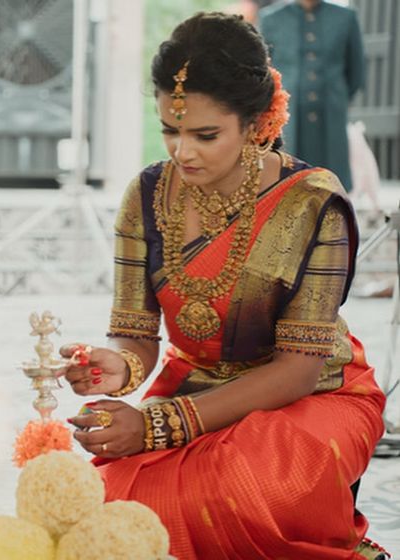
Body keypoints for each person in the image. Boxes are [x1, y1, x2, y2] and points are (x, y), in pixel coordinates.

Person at [61, 12, 389, 560]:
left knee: (246, 490)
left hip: (312, 396)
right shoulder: (146, 195)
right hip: (195, 386)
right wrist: (118, 365)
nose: (181, 152)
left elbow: (299, 367)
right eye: (170, 129)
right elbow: (134, 332)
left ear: (256, 122)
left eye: (204, 135)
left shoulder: (312, 203)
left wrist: (159, 425)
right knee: (109, 512)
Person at [260, 0, 365, 192]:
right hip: (290, 118)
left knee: (333, 187)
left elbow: (356, 72)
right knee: (287, 185)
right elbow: (265, 71)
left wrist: (338, 99)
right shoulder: (271, 18)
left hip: (331, 115)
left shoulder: (346, 17)